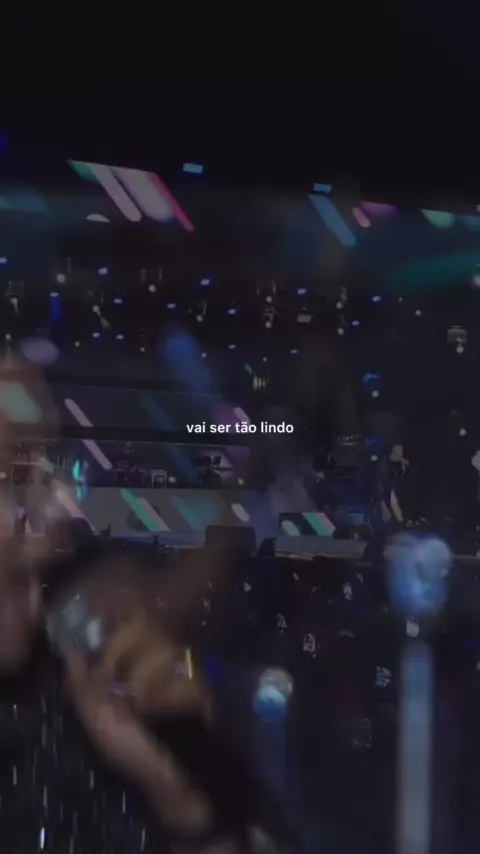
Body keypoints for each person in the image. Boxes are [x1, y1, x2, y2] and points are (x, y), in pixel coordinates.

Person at [0, 361, 288, 853]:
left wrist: (181, 801)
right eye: (18, 476)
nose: (66, 505)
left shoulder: (80, 699)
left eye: (52, 464)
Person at [371, 443, 409, 536]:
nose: (401, 453)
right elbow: (379, 485)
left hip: (395, 496)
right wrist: (383, 504)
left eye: (401, 451)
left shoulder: (401, 464)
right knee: (388, 522)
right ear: (394, 452)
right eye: (399, 451)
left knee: (399, 521)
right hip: (385, 498)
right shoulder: (384, 465)